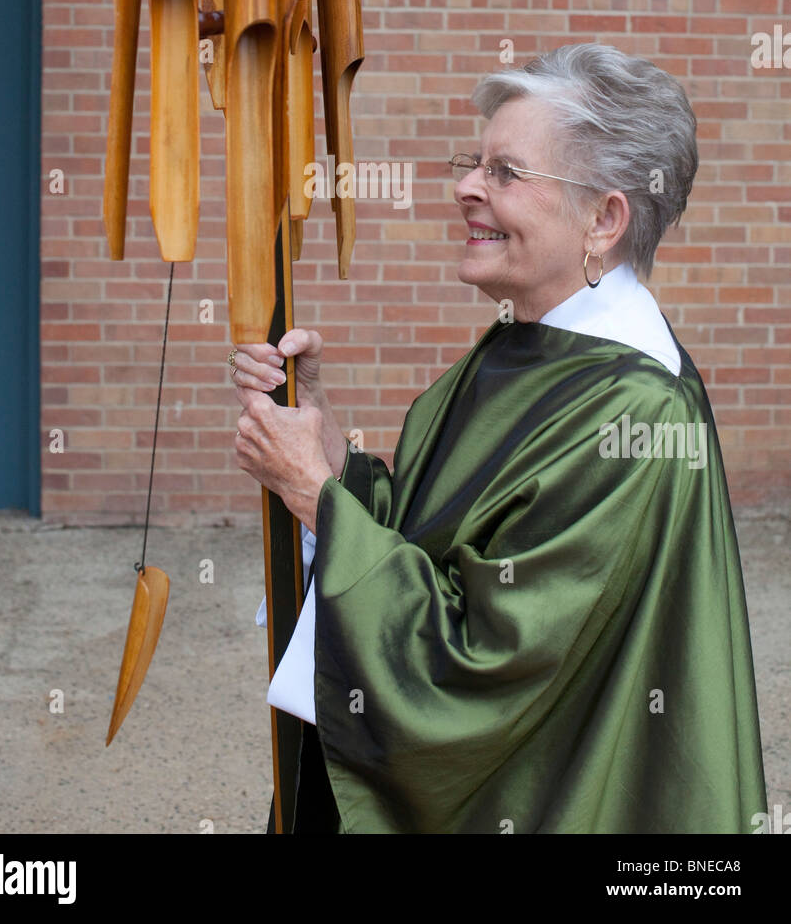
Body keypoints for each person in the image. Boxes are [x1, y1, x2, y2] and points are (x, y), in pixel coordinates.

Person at [230, 44, 768, 834]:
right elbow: (448, 540)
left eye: (506, 173)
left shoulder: (636, 413)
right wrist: (332, 451)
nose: (465, 188)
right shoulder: (534, 340)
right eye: (473, 163)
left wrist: (315, 498)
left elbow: (485, 662)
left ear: (604, 218)